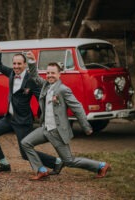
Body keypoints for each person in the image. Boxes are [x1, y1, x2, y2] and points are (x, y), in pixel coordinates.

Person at [21, 51, 111, 181]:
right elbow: (34, 76)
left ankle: (101, 165)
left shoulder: (63, 90)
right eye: (48, 73)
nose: (50, 75)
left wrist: (86, 127)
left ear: (59, 74)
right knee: (25, 143)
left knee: (69, 161)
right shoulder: (46, 86)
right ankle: (41, 170)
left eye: (53, 73)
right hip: (45, 129)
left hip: (57, 132)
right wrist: (31, 62)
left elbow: (78, 107)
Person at [0, 45, 63, 174]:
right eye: (14, 63)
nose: (16, 66)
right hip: (9, 118)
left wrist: (44, 115)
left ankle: (57, 162)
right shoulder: (11, 73)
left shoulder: (31, 79)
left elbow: (41, 97)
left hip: (23, 121)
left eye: (19, 64)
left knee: (25, 153)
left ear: (25, 64)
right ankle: (3, 163)